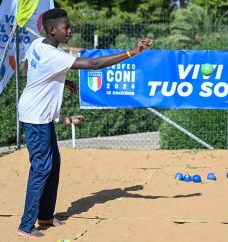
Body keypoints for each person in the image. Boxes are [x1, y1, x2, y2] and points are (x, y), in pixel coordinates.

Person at [17, 8, 153, 238]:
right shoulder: (54, 55)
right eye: (66, 27)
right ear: (52, 30)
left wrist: (61, 80)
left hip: (38, 114)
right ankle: (26, 225)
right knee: (41, 168)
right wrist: (132, 52)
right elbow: (95, 64)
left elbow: (27, 68)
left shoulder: (38, 44)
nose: (70, 30)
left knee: (53, 164)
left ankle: (46, 216)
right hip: (35, 117)